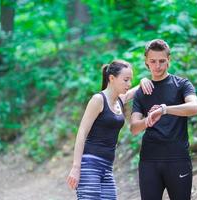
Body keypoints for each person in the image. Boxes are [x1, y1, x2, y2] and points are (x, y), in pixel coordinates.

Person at [66, 59, 154, 199]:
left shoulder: (120, 100)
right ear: (112, 78)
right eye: (125, 80)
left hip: (107, 167)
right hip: (90, 165)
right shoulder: (98, 100)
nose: (129, 84)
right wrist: (76, 168)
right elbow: (82, 133)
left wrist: (144, 79)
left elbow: (136, 89)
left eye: (130, 80)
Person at [130, 39, 197, 200]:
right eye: (153, 61)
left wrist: (165, 110)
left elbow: (195, 107)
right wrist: (147, 121)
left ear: (169, 60)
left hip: (178, 158)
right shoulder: (142, 91)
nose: (158, 66)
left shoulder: (182, 84)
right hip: (149, 160)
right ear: (146, 62)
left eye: (162, 61)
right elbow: (134, 128)